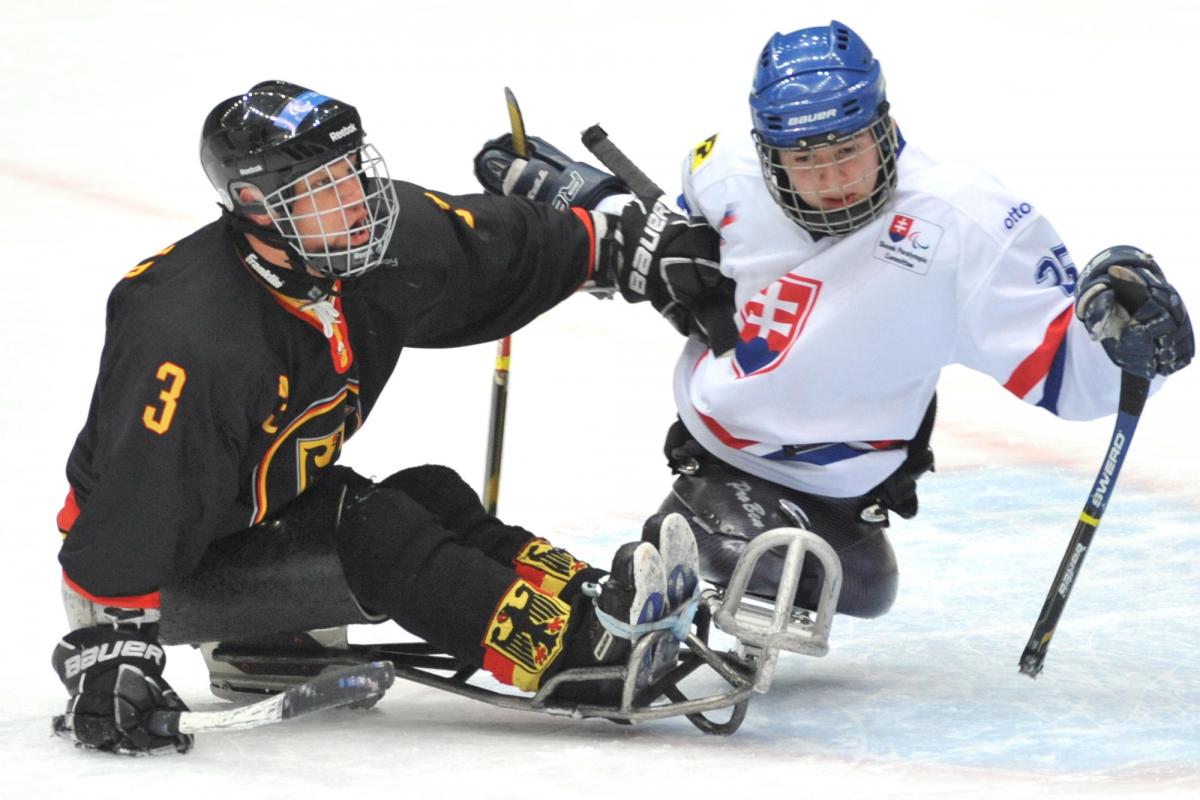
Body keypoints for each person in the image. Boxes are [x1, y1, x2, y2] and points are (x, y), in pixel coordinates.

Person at [51, 80, 726, 756]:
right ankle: (577, 657)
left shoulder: (361, 245)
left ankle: (588, 609)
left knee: (429, 492)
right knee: (378, 532)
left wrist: (619, 244)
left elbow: (490, 246)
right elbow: (135, 506)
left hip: (254, 514)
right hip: (148, 580)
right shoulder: (194, 340)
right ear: (255, 207)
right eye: (321, 190)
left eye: (350, 173)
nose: (354, 203)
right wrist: (111, 657)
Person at [474, 21, 1193, 620]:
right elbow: (665, 243)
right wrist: (578, 200)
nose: (832, 180)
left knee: (860, 587)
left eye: (848, 150)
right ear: (767, 153)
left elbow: (1071, 379)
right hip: (726, 448)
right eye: (804, 159)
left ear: (886, 128)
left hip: (855, 482)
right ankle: (673, 545)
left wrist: (1128, 347)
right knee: (753, 560)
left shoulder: (967, 224)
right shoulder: (726, 175)